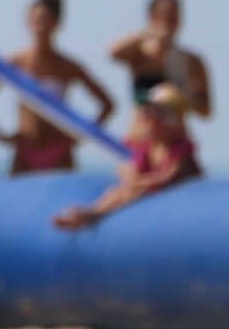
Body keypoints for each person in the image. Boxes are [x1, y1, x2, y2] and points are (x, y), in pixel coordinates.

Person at [0, 0, 115, 173]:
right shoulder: (17, 62)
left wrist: (82, 135)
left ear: (56, 24)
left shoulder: (68, 66)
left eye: (45, 20)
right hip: (26, 149)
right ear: (28, 23)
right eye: (35, 20)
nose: (40, 26)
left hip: (59, 151)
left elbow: (107, 104)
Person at [54, 82, 201, 229]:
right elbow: (126, 169)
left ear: (172, 123)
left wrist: (138, 182)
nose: (146, 120)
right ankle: (90, 212)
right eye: (146, 114)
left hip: (166, 192)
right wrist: (131, 176)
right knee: (117, 191)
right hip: (141, 186)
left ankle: (93, 214)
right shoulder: (145, 147)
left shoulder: (179, 150)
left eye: (153, 116)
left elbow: (165, 178)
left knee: (133, 191)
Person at [109, 0, 213, 145]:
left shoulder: (192, 61)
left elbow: (206, 110)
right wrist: (150, 33)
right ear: (152, 17)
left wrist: (181, 101)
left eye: (175, 16)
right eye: (165, 16)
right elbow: (113, 53)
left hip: (175, 143)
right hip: (141, 141)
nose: (170, 22)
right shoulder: (140, 54)